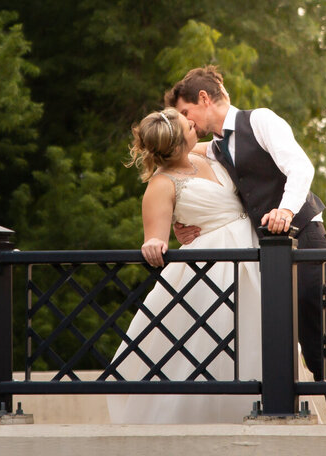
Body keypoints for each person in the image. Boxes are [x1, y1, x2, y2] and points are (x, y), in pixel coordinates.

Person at [166, 66, 326, 424]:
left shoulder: (261, 121)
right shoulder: (213, 149)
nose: (186, 121)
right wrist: (182, 223)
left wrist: (286, 210)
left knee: (313, 335)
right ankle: (279, 411)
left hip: (305, 235)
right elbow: (179, 170)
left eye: (185, 113)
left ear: (205, 99)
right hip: (265, 255)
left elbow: (301, 167)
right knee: (272, 334)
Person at [106, 108, 262, 424]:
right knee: (213, 344)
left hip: (253, 253)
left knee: (257, 335)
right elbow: (155, 237)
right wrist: (155, 243)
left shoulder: (208, 156)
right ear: (177, 143)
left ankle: (264, 407)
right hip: (211, 271)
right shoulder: (162, 184)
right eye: (186, 125)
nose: (193, 122)